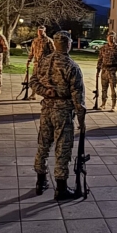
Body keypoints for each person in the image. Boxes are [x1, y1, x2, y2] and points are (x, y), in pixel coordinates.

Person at [30, 32, 86, 199]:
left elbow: (33, 82)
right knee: (62, 148)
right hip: (63, 111)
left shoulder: (44, 61)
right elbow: (78, 96)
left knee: (43, 145)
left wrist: (45, 91)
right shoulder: (72, 66)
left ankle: (40, 181)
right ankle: (61, 188)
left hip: (46, 109)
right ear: (68, 44)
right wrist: (81, 119)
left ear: (54, 44)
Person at [97, 32, 117, 111]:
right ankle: (103, 104)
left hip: (112, 71)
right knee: (104, 88)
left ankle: (114, 105)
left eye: (112, 37)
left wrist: (115, 66)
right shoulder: (103, 48)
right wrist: (98, 69)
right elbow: (100, 59)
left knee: (113, 88)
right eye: (109, 37)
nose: (110, 38)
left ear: (114, 38)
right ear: (107, 38)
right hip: (104, 71)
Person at [26, 27, 54, 98]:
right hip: (36, 63)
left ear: (44, 31)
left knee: (45, 80)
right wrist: (29, 60)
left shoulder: (48, 41)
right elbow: (32, 52)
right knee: (34, 79)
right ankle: (33, 94)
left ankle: (47, 94)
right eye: (39, 31)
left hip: (45, 64)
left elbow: (53, 52)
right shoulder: (35, 41)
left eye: (41, 31)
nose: (40, 32)